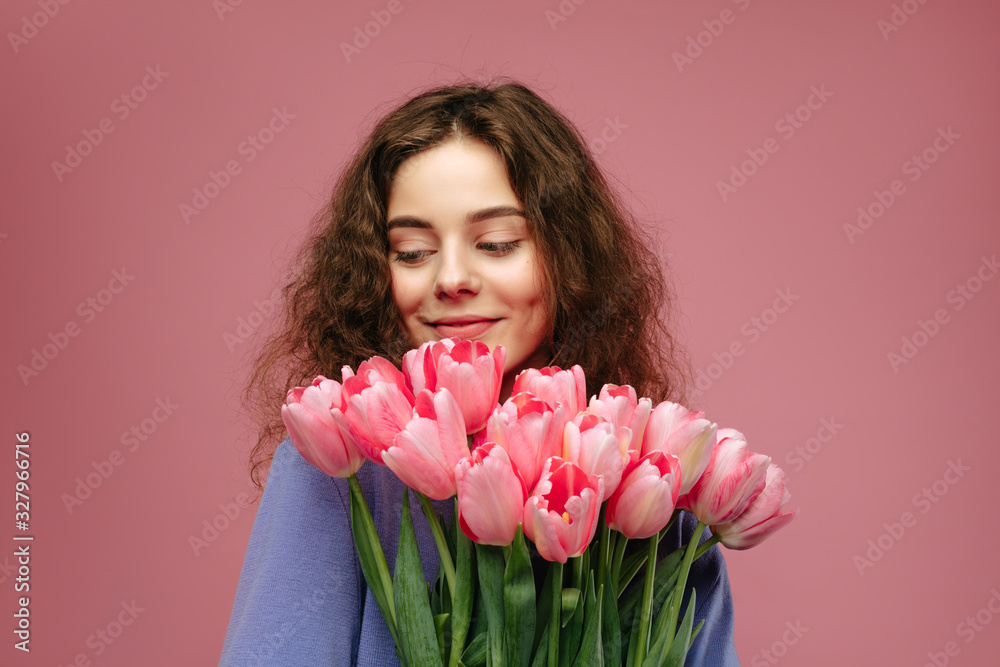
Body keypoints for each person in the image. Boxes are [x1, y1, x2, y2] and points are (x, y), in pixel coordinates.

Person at [220, 78, 741, 666]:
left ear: (567, 258)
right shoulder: (342, 464)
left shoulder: (647, 480)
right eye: (412, 252)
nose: (450, 278)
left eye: (495, 243)